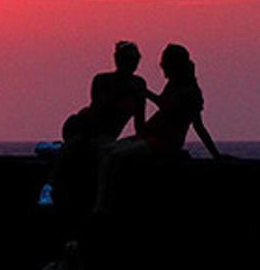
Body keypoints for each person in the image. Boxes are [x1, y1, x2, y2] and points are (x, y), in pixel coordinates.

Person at [92, 43, 224, 214]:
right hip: (149, 135)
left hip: (163, 141)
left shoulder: (191, 92)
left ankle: (102, 205)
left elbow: (197, 125)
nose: (162, 67)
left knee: (115, 156)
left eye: (165, 63)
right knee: (105, 150)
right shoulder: (173, 85)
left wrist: (216, 155)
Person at [39, 41, 147, 207]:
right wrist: (121, 91)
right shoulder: (101, 80)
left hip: (105, 136)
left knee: (93, 150)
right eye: (126, 59)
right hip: (82, 125)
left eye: (134, 60)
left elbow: (139, 121)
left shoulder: (139, 85)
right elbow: (98, 109)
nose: (130, 63)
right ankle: (48, 188)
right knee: (75, 145)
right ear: (117, 60)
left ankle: (55, 148)